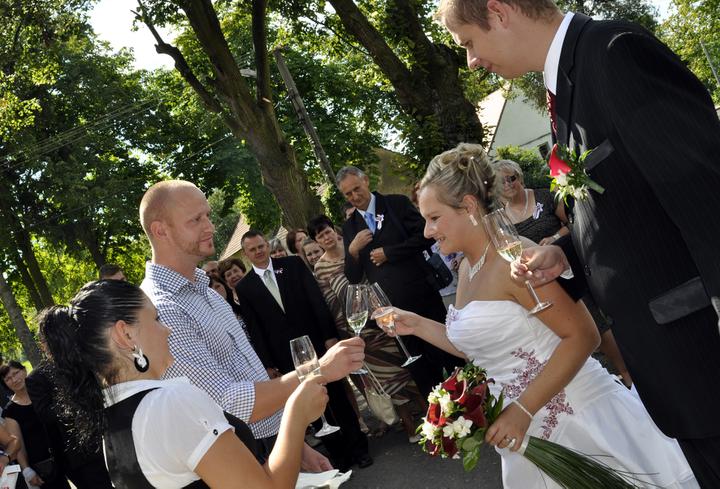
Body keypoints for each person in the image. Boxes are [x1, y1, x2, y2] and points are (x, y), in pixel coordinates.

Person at [435, 0, 720, 483]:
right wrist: (564, 254)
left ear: (498, 13)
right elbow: (629, 209)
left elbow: (706, 197)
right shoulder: (565, 89)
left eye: (469, 43)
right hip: (672, 372)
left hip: (702, 356)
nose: (472, 61)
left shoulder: (613, 54)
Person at [391, 143, 697, 488]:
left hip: (577, 420)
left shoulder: (515, 257)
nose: (427, 231)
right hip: (523, 433)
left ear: (469, 206)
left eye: (434, 218)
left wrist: (523, 409)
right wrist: (415, 324)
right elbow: (480, 350)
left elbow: (583, 335)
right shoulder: (466, 269)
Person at [138, 179, 365, 471]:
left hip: (266, 447)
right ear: (160, 230)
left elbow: (250, 373)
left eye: (208, 215)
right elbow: (229, 403)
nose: (211, 226)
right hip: (239, 461)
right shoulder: (161, 309)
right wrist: (317, 370)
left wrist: (295, 444)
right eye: (196, 219)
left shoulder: (207, 292)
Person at [37, 279, 329, 488]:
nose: (166, 330)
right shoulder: (171, 402)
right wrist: (297, 415)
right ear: (126, 335)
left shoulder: (112, 421)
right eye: (155, 319)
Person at [235, 230, 372, 471]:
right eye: (252, 249)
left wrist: (329, 336)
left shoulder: (293, 264)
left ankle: (359, 449)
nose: (258, 251)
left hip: (317, 344)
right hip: (285, 356)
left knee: (337, 397)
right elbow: (255, 329)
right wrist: (268, 364)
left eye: (261, 246)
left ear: (267, 245)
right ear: (246, 254)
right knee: (310, 406)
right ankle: (338, 458)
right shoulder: (245, 287)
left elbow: (316, 300)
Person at [494, 159, 631, 387]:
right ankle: (607, 380)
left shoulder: (544, 197)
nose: (508, 184)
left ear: (520, 177)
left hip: (571, 264)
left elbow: (576, 221)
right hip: (545, 284)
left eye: (512, 178)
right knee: (578, 332)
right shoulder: (501, 220)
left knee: (601, 323)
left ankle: (628, 374)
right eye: (502, 181)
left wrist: (555, 238)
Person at [337, 166, 461, 398]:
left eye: (356, 189)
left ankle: (472, 397)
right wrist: (352, 251)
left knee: (449, 353)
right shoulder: (350, 227)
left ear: (366, 181)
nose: (354, 196)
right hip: (392, 308)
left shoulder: (396, 204)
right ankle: (440, 411)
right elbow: (353, 277)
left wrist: (390, 253)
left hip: (422, 295)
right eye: (348, 194)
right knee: (420, 367)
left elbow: (425, 237)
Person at [309, 215, 421, 442]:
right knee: (387, 378)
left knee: (407, 367)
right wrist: (347, 331)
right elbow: (332, 302)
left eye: (327, 231)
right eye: (320, 236)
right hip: (359, 327)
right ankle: (409, 426)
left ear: (334, 230)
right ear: (316, 241)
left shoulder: (355, 247)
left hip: (383, 315)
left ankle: (432, 416)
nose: (326, 237)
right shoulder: (320, 268)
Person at [25, 358, 113, 489]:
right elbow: (45, 414)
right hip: (80, 456)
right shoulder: (36, 378)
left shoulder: (82, 359)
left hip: (109, 440)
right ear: (43, 347)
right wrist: (72, 400)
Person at [1, 361, 70, 489]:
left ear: (24, 370)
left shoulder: (43, 393)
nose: (14, 380)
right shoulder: (10, 411)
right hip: (45, 466)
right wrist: (27, 470)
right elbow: (17, 444)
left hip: (68, 454)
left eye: (16, 373)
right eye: (8, 379)